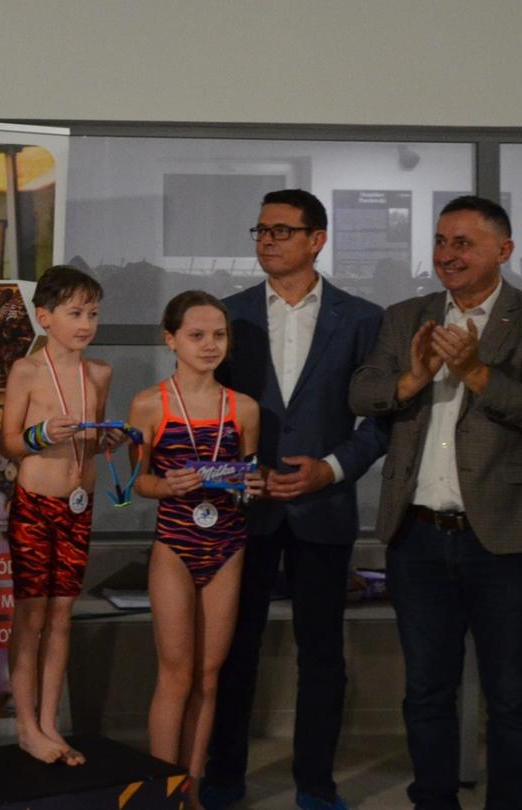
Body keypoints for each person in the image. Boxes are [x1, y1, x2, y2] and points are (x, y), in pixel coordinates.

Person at [203, 190, 387, 810]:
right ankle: (223, 777)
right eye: (261, 229)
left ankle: (315, 784)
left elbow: (381, 423)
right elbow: (204, 416)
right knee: (234, 649)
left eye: (283, 230)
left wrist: (331, 471)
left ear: (317, 239)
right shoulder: (227, 317)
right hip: (242, 511)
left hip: (322, 509)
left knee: (323, 656)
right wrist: (233, 473)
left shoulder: (362, 318)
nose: (267, 240)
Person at [350, 195, 522, 810]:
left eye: (463, 244)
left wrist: (476, 372)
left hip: (503, 538)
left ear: (503, 251)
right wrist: (413, 378)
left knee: (510, 697)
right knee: (425, 689)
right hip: (416, 536)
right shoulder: (406, 317)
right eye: (441, 242)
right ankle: (434, 802)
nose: (447, 255)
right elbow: (363, 393)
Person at [127, 291, 265, 795]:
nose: (210, 345)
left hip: (228, 543)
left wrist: (255, 486)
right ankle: (162, 792)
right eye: (197, 335)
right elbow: (131, 484)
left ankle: (194, 787)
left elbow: (250, 480)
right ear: (172, 339)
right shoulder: (149, 403)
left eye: (219, 335)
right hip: (176, 543)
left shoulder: (244, 408)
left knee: (209, 676)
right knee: (176, 674)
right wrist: (168, 485)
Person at [0, 265, 118, 767]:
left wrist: (105, 439)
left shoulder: (100, 373)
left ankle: (50, 722)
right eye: (75, 313)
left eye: (92, 313)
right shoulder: (26, 371)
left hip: (78, 506)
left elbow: (90, 444)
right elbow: (8, 443)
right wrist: (41, 434)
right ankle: (25, 724)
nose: (86, 323)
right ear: (45, 317)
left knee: (62, 615)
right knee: (31, 616)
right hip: (35, 505)